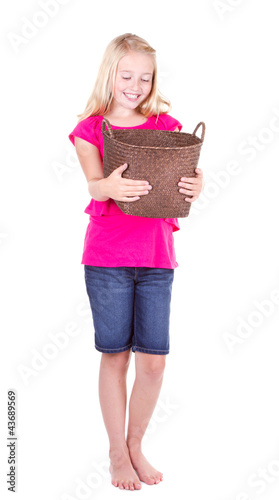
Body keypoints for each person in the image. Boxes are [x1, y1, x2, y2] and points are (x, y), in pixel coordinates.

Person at [68, 33, 204, 491]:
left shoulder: (167, 126)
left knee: (153, 362)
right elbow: (93, 184)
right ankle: (116, 453)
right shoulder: (92, 129)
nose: (136, 85)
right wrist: (108, 187)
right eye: (126, 76)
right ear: (110, 74)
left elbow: (184, 178)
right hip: (107, 257)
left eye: (144, 78)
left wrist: (195, 185)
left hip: (156, 258)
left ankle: (136, 444)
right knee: (115, 354)